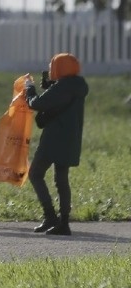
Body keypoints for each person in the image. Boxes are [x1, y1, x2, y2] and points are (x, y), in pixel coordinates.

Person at [24, 53, 88, 236]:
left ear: (59, 68)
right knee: (61, 179)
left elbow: (36, 103)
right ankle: (64, 222)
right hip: (70, 139)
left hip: (53, 139)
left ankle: (50, 216)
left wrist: (29, 88)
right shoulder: (78, 85)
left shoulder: (62, 87)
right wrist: (51, 88)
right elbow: (60, 101)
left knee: (35, 174)